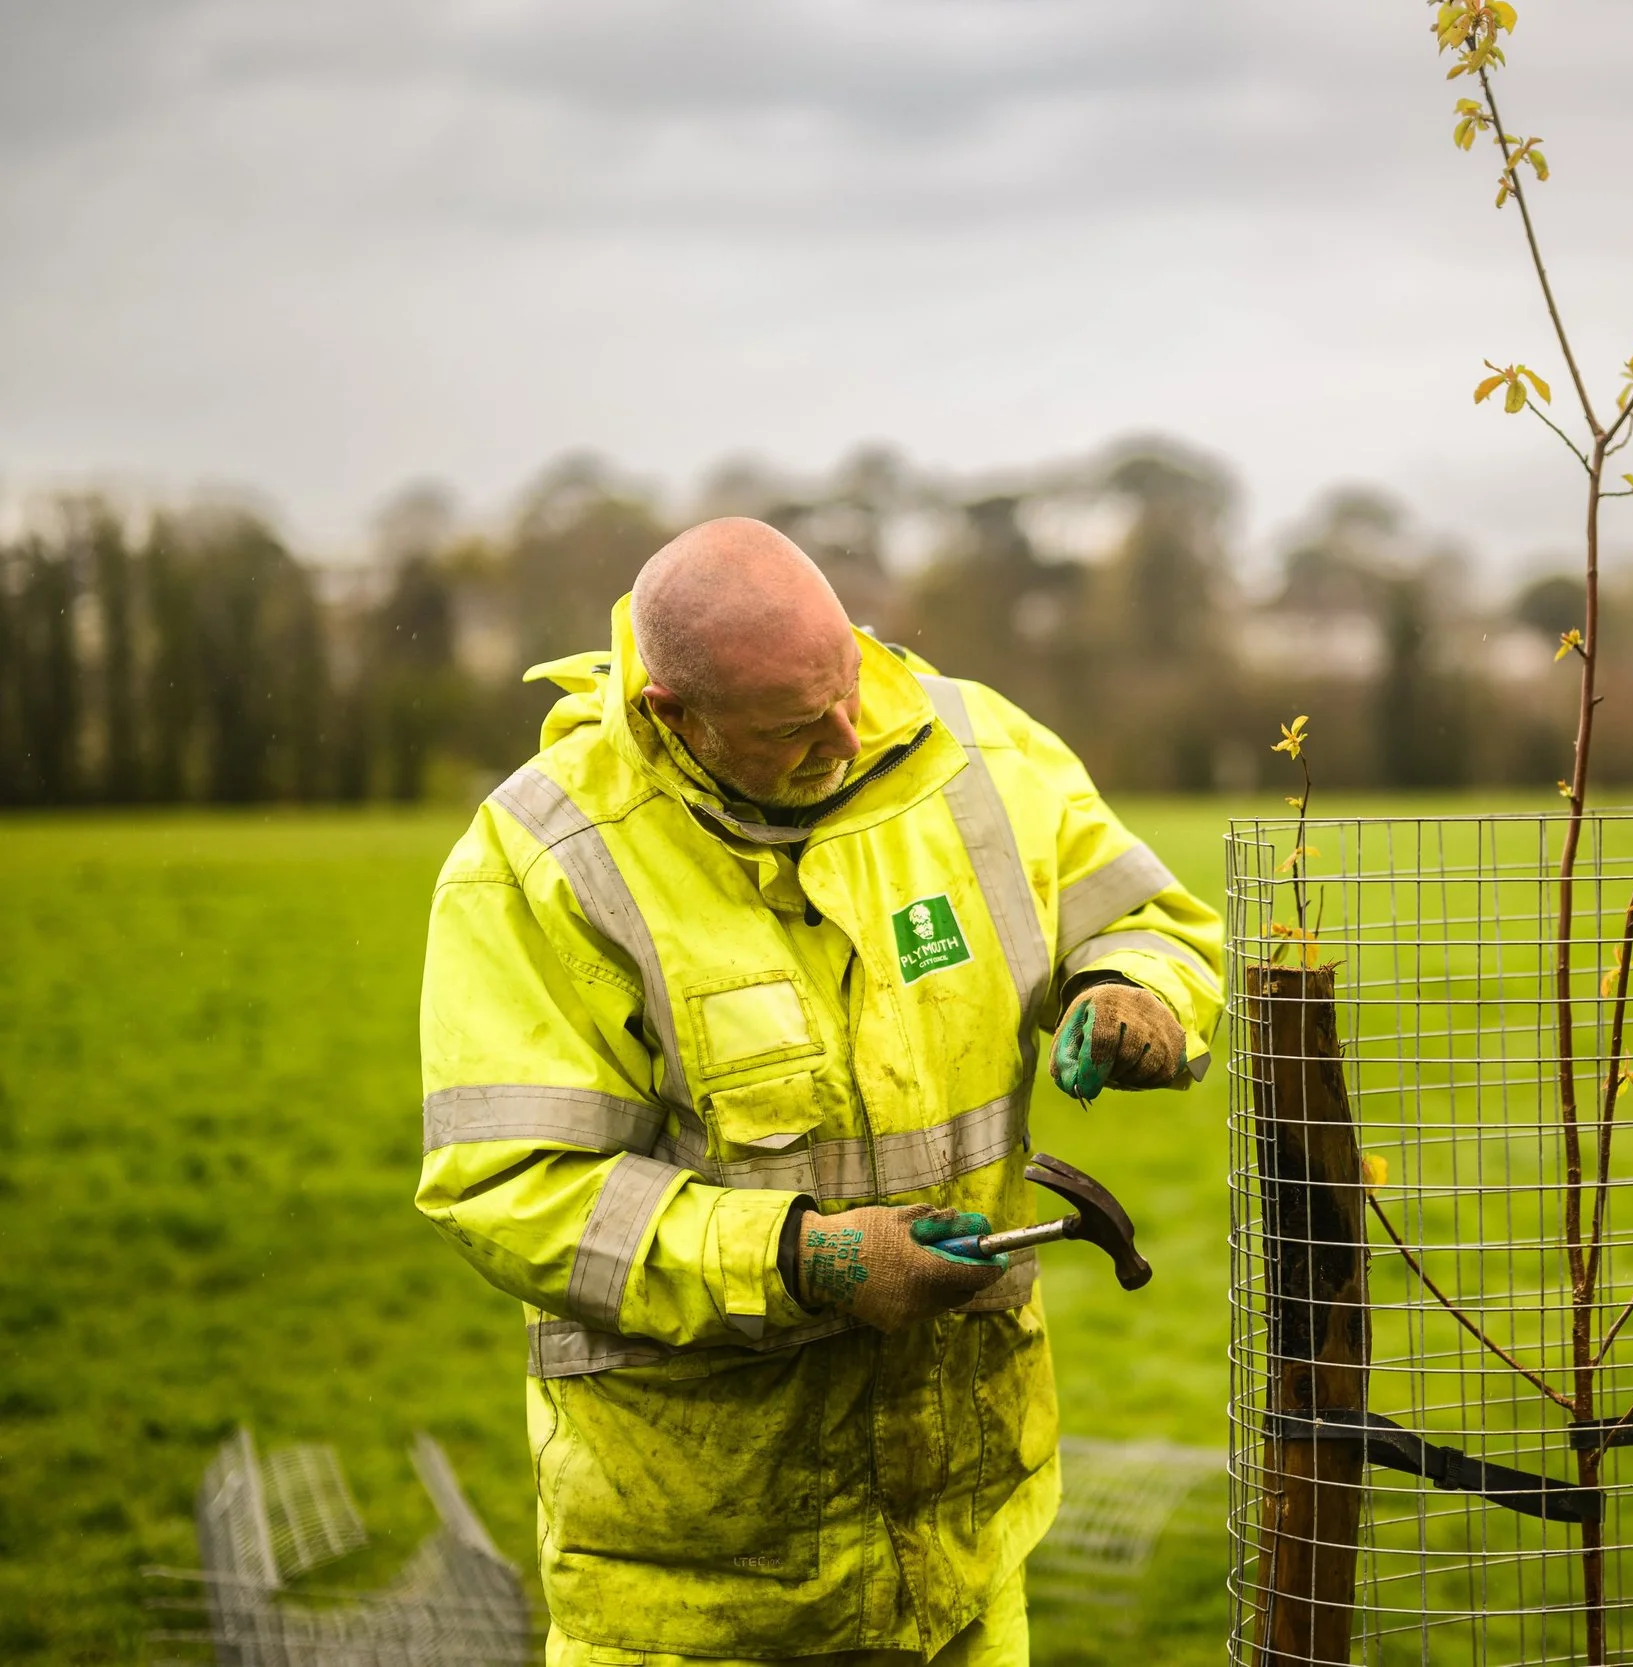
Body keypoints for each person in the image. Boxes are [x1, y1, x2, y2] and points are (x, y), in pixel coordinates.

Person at [415, 518, 1222, 1666]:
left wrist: (1131, 990)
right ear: (671, 715)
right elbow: (507, 1188)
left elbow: (1146, 920)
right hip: (698, 1580)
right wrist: (802, 1259)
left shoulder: (972, 747)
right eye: (795, 727)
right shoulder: (544, 861)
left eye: (845, 680)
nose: (849, 733)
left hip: (961, 1549)